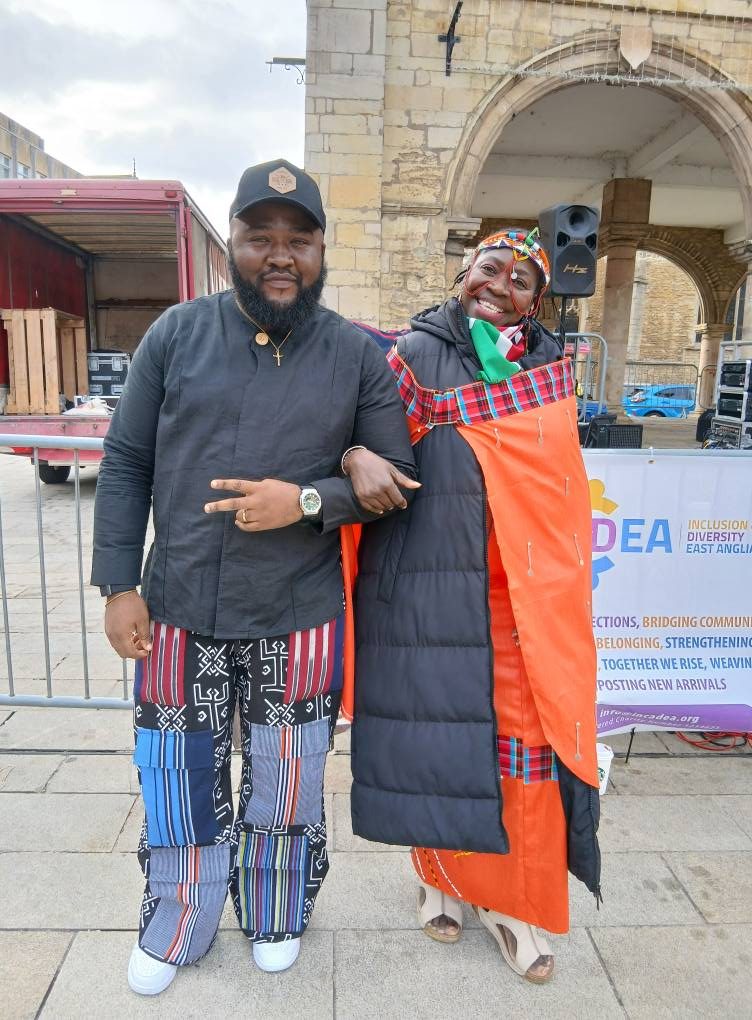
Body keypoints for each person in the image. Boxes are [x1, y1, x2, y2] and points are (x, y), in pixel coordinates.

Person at [91, 158, 417, 996]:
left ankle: (275, 911)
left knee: (287, 779)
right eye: (259, 237)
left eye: (298, 240)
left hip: (297, 612)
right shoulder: (176, 334)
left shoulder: (355, 355)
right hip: (178, 607)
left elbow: (396, 478)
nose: (280, 255)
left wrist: (306, 499)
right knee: (177, 774)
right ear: (230, 243)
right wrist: (119, 584)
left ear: (321, 251)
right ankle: (179, 919)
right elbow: (125, 462)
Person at [345, 229, 601, 983]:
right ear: (465, 272)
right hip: (429, 587)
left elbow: (560, 483)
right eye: (491, 268)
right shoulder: (411, 357)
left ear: (537, 301)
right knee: (436, 743)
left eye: (522, 280)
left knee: (524, 751)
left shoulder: (550, 369)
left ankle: (514, 905)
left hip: (523, 597)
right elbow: (361, 443)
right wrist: (353, 456)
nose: (501, 285)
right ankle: (438, 881)